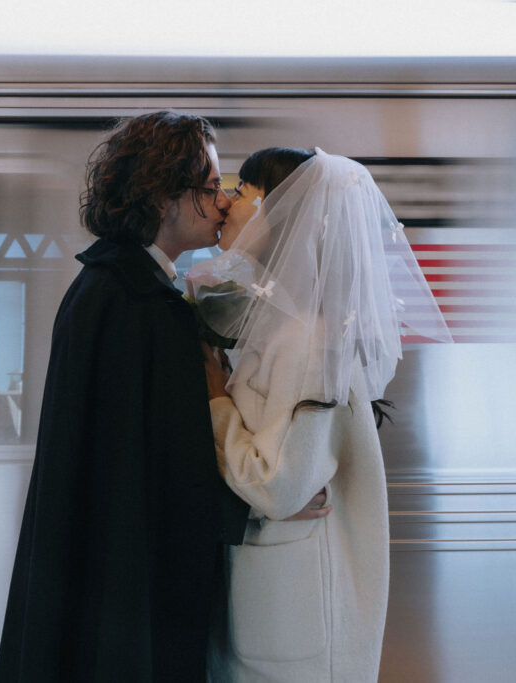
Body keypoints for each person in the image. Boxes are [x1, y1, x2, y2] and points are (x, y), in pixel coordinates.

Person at [0, 111, 256, 682]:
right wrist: (262, 500)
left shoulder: (108, 287)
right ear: (163, 196)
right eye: (211, 188)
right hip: (132, 583)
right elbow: (175, 465)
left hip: (97, 572)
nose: (223, 204)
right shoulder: (142, 305)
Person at [188, 148, 451, 682]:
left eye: (242, 192)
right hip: (276, 611)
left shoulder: (308, 340)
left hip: (299, 624)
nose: (225, 203)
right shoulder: (284, 328)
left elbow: (278, 487)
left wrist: (216, 399)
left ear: (280, 212)